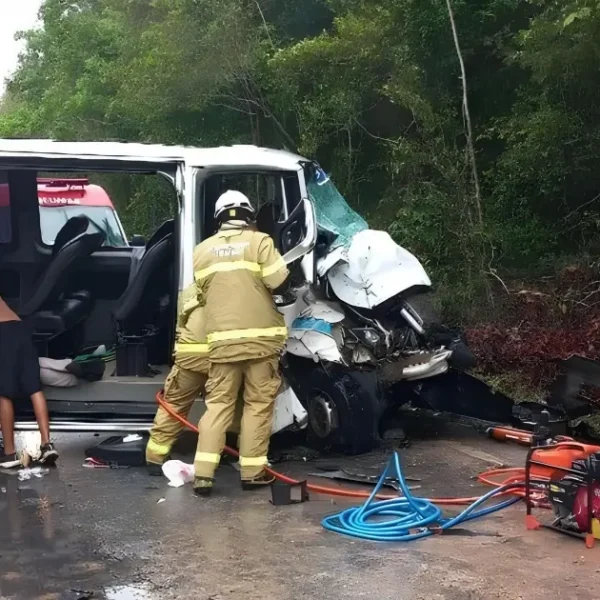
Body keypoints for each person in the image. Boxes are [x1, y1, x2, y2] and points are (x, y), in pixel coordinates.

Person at [192, 190, 289, 496]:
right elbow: (280, 282)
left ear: (219, 218)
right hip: (261, 343)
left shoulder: (202, 251)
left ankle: (203, 475)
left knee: (218, 406)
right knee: (257, 406)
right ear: (248, 215)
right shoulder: (260, 241)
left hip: (222, 344)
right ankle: (252, 472)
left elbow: (204, 293)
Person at [145, 286, 210, 474]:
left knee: (174, 405)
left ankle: (155, 458)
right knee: (222, 409)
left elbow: (181, 322)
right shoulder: (240, 287)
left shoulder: (190, 291)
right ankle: (219, 456)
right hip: (221, 357)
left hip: (188, 357)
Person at [0, 295, 58, 468]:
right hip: (20, 329)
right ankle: (46, 444)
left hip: (3, 334)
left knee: (3, 393)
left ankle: (9, 453)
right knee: (35, 388)